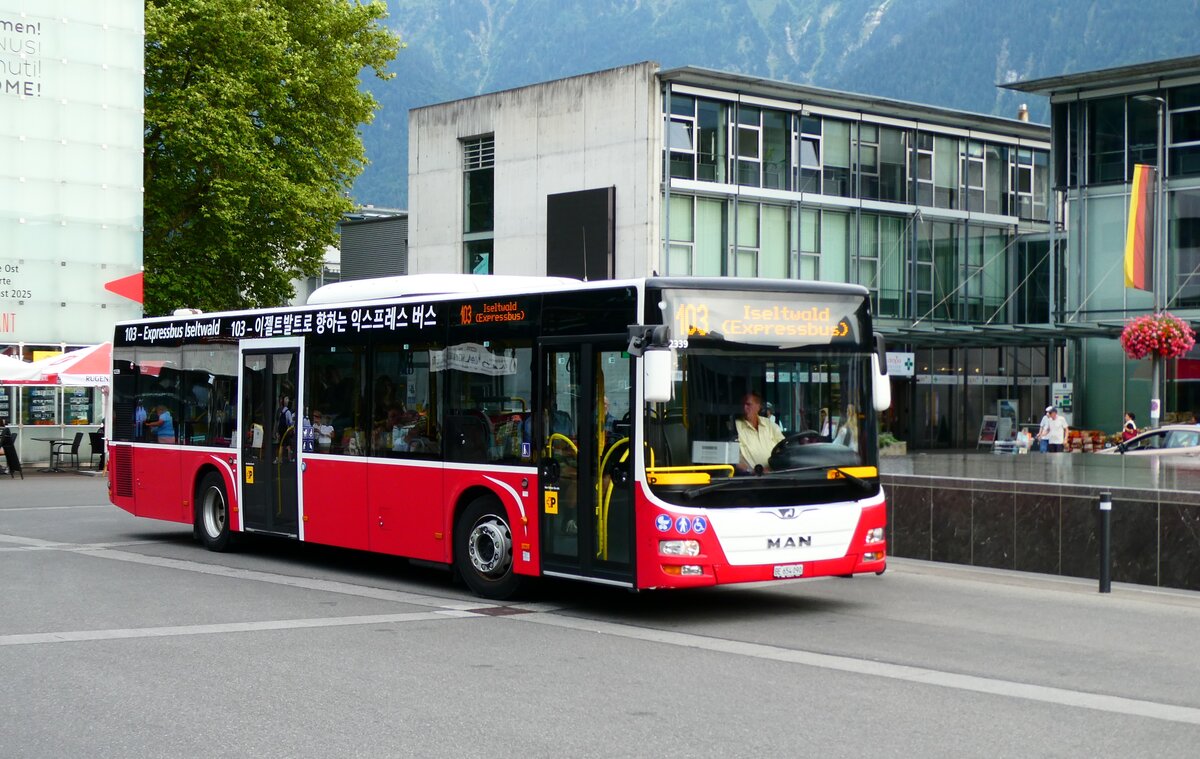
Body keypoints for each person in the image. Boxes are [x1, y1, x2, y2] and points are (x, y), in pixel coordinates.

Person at [735, 392, 784, 473]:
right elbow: (734, 458)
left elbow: (784, 448)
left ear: (758, 406)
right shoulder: (735, 427)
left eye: (748, 404)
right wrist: (751, 471)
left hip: (778, 474)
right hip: (751, 477)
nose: (744, 408)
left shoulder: (769, 424)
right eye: (742, 405)